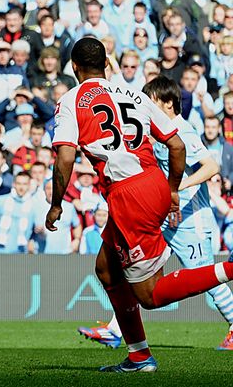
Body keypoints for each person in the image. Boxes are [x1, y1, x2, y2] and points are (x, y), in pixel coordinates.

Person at [46, 38, 233, 373]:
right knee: (106, 268)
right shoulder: (134, 94)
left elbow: (64, 158)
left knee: (150, 294)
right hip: (154, 184)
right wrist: (171, 189)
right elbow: (176, 146)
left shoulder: (71, 101)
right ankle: (138, 356)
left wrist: (56, 205)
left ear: (74, 67)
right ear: (106, 63)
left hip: (129, 194)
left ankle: (231, 270)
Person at [79, 76, 233, 351]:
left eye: (152, 102)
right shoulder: (156, 131)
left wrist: (178, 188)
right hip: (163, 216)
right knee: (139, 273)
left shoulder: (182, 131)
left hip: (190, 217)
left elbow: (211, 167)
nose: (146, 107)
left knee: (202, 274)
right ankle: (117, 331)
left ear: (169, 103)